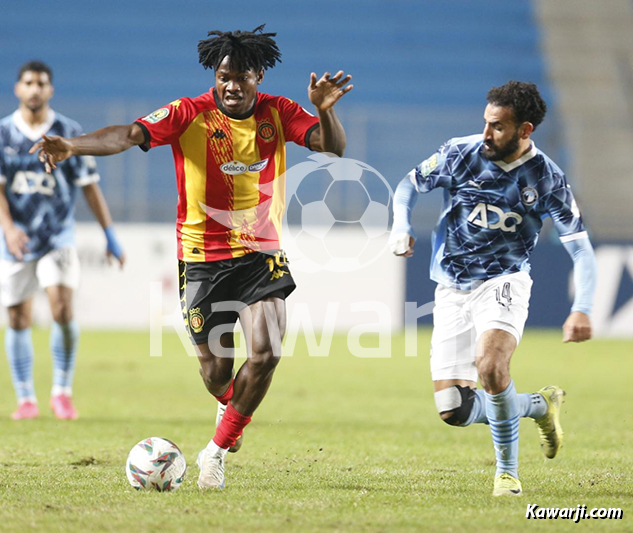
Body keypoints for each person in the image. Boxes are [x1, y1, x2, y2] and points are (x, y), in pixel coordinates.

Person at [32, 25, 352, 489]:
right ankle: (228, 401)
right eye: (225, 75)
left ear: (259, 76)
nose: (233, 85)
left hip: (259, 253)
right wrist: (72, 145)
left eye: (243, 76)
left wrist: (324, 113)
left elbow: (333, 147)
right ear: (214, 76)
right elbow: (127, 134)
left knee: (266, 351)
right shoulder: (187, 113)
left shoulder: (278, 112)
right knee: (215, 370)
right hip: (201, 258)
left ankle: (215, 452)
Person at [389, 81, 596, 497]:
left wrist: (583, 307)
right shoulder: (460, 153)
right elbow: (409, 185)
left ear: (525, 130)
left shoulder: (547, 178)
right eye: (486, 123)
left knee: (491, 367)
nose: (487, 134)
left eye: (498, 127)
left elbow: (583, 251)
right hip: (450, 287)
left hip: (504, 281)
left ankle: (507, 474)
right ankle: (539, 405)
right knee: (453, 410)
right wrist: (401, 224)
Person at [0, 61, 125, 421]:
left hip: (57, 235)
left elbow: (90, 188)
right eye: (28, 82)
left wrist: (110, 235)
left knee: (62, 309)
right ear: (18, 89)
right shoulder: (4, 134)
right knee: (18, 318)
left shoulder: (67, 131)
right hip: (17, 239)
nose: (35, 89)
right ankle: (26, 398)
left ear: (50, 90)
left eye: (41, 83)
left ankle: (61, 392)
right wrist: (8, 228)